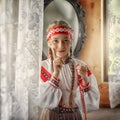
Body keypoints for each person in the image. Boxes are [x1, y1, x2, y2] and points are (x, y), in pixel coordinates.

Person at [39, 20, 100, 120]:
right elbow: (42, 99)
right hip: (51, 116)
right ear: (49, 43)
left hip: (74, 116)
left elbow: (91, 102)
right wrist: (55, 74)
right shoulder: (43, 67)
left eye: (65, 40)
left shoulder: (81, 66)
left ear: (71, 42)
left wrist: (84, 79)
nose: (61, 46)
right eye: (55, 40)